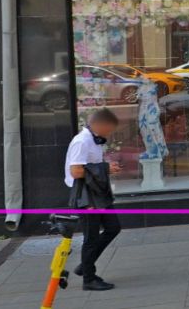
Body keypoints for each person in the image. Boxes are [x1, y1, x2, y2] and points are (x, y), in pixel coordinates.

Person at [65, 108, 123, 290]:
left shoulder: (93, 140)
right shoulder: (81, 141)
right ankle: (89, 279)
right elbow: (75, 171)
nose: (110, 133)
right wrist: (105, 168)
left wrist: (106, 167)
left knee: (113, 227)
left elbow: (90, 167)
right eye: (109, 129)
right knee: (91, 236)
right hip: (85, 195)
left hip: (96, 192)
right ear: (100, 125)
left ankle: (85, 264)